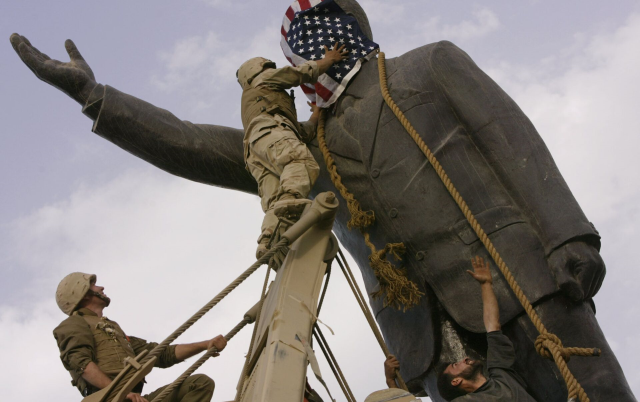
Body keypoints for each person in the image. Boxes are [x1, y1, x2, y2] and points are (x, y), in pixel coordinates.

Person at [11, 0, 634, 399]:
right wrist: (97, 100)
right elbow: (195, 144)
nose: (307, 45)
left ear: (351, 26)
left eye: (319, 25)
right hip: (428, 337)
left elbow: (511, 136)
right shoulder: (308, 149)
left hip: (524, 288)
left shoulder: (430, 67)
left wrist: (567, 235)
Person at [237, 44, 349, 259]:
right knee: (300, 162)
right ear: (257, 70)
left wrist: (316, 114)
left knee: (274, 201)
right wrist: (329, 60)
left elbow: (302, 133)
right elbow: (296, 74)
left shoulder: (259, 101)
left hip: (255, 151)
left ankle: (269, 241)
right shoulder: (262, 80)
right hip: (269, 132)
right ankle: (290, 204)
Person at [53, 272, 227, 402]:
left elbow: (161, 354)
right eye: (93, 285)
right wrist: (119, 392)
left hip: (134, 397)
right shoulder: (74, 324)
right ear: (82, 293)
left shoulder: (115, 331)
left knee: (199, 384)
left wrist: (206, 344)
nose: (101, 288)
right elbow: (82, 364)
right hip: (111, 398)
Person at [435, 256, 536, 401]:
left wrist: (486, 284)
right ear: (456, 381)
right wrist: (393, 384)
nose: (465, 359)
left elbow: (493, 326)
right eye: (456, 364)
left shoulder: (502, 376)